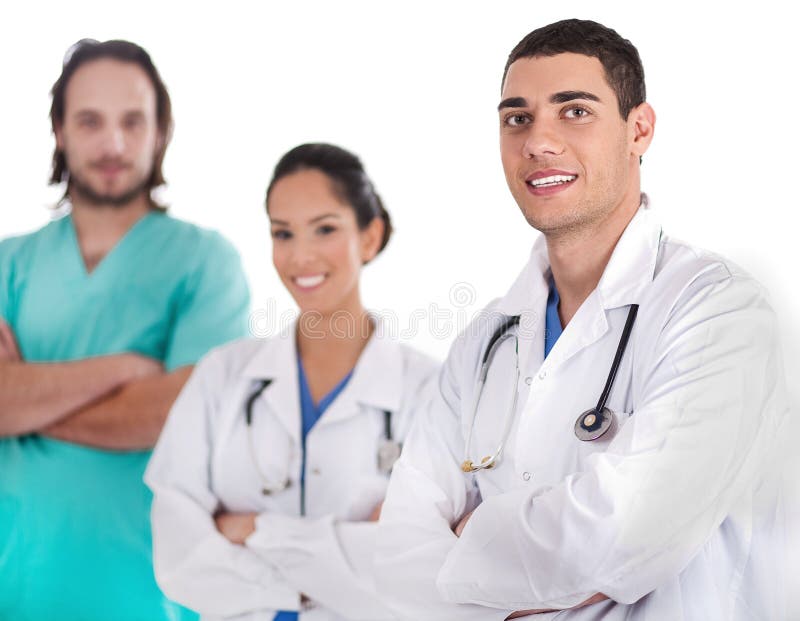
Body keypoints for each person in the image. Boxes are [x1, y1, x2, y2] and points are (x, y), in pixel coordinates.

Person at [374, 19, 790, 621]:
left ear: (638, 130)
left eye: (574, 111)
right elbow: (399, 551)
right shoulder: (483, 343)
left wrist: (470, 534)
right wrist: (540, 556)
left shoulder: (718, 311)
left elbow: (626, 532)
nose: (538, 141)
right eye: (517, 118)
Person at [0, 39, 250, 621]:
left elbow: (176, 414)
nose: (112, 144)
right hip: (16, 592)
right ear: (59, 131)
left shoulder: (204, 261)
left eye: (132, 121)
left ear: (160, 131)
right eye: (90, 121)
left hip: (151, 599)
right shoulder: (9, 264)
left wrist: (22, 399)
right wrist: (123, 371)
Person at [145, 142, 438, 620]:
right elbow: (178, 552)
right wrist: (328, 574)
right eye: (283, 233)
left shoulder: (428, 389)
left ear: (369, 236)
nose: (300, 255)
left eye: (324, 229)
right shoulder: (223, 375)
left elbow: (422, 571)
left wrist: (258, 532)